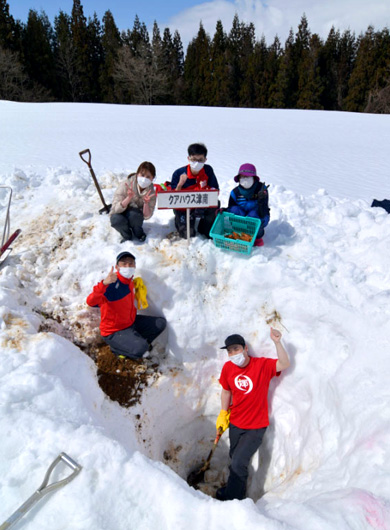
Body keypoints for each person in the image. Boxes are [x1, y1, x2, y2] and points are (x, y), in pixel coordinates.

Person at [215, 328, 290, 501]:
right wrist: (223, 413)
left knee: (238, 462)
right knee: (234, 458)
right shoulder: (228, 368)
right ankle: (235, 489)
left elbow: (284, 364)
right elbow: (226, 392)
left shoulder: (261, 365)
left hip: (256, 426)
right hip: (235, 423)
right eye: (230, 351)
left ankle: (234, 498)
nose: (233, 354)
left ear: (245, 348)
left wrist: (277, 342)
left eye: (236, 349)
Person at [86, 251, 166, 360]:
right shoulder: (111, 285)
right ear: (117, 267)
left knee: (160, 323)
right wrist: (104, 283)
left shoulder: (130, 281)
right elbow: (91, 302)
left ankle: (133, 342)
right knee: (141, 349)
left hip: (130, 323)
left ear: (135, 266)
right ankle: (117, 349)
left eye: (131, 263)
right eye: (124, 263)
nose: (128, 266)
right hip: (113, 331)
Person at [171, 143, 219, 238]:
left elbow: (215, 190)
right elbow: (172, 199)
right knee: (188, 234)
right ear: (188, 158)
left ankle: (204, 226)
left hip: (201, 205)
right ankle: (180, 219)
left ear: (205, 160)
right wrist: (180, 185)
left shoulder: (208, 170)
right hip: (183, 208)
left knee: (215, 204)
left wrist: (205, 193)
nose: (197, 163)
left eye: (200, 160)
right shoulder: (179, 173)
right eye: (194, 160)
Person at [110, 162, 157, 243]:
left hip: (134, 215)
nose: (144, 179)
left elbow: (147, 216)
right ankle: (126, 235)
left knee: (135, 216)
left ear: (152, 178)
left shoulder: (151, 192)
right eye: (142, 175)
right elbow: (115, 209)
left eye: (148, 177)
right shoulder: (126, 184)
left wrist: (146, 203)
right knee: (116, 220)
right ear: (137, 174)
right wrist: (128, 198)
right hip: (120, 213)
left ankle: (138, 233)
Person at [227, 163, 270, 246]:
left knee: (253, 215)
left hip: (258, 216)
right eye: (243, 177)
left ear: (254, 178)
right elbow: (230, 211)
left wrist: (261, 201)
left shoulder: (262, 190)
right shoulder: (235, 192)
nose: (245, 179)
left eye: (248, 177)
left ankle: (257, 236)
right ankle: (239, 233)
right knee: (234, 210)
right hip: (242, 216)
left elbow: (263, 212)